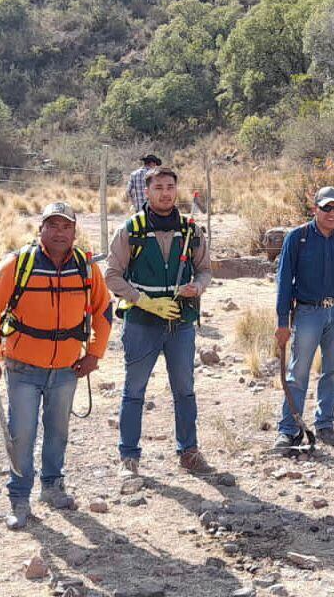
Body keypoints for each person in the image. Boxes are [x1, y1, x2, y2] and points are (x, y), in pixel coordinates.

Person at [0, 202, 113, 529]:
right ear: (40, 229)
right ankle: (20, 499)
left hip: (68, 369)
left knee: (58, 432)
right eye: (52, 225)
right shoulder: (18, 265)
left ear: (74, 231)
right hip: (23, 368)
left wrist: (94, 354)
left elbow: (104, 311)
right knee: (22, 434)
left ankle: (52, 487)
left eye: (66, 227)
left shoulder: (85, 267)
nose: (59, 233)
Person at [105, 166, 215, 477]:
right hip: (141, 322)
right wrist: (144, 301)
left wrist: (198, 287)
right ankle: (129, 457)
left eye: (170, 187)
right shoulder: (131, 230)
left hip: (180, 323)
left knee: (185, 390)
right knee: (134, 390)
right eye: (158, 187)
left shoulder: (191, 230)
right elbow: (111, 275)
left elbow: (205, 269)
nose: (165, 193)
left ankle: (189, 452)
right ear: (147, 191)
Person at [274, 187, 334, 449]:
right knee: (298, 371)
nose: (332, 213)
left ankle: (325, 425)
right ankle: (289, 428)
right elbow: (284, 282)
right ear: (315, 208)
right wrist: (282, 322)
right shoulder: (297, 238)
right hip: (307, 312)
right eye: (326, 208)